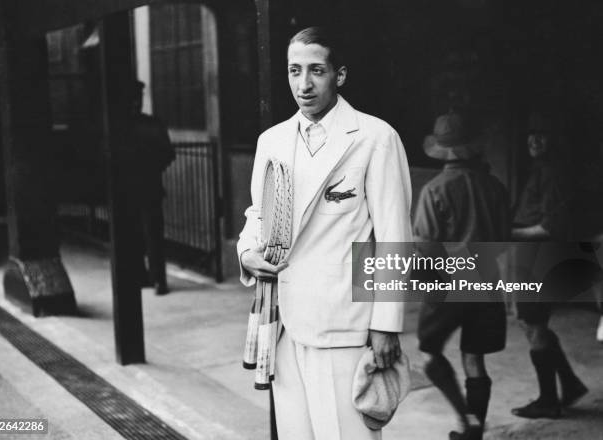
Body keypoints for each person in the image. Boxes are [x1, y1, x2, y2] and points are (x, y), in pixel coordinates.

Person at [237, 26, 412, 440]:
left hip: (344, 322)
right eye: (294, 70)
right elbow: (257, 214)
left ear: (340, 75)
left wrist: (386, 324)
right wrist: (246, 253)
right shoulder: (272, 140)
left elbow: (395, 237)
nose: (304, 83)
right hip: (283, 321)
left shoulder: (374, 137)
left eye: (316, 70)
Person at [413, 111, 509, 440]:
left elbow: (426, 248)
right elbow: (503, 240)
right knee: (475, 359)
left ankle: (465, 417)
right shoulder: (496, 187)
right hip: (486, 279)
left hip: (449, 284)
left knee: (429, 352)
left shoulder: (434, 190)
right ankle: (475, 431)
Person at [510, 113, 588, 419]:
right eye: (531, 134)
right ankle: (569, 385)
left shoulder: (552, 173)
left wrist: (506, 232)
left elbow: (551, 227)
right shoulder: (540, 169)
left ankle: (548, 401)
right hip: (533, 255)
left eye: (542, 135)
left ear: (555, 140)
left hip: (540, 256)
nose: (534, 140)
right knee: (533, 325)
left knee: (535, 328)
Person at [125, 80, 175, 295]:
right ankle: (156, 279)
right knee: (152, 235)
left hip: (132, 188)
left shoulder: (123, 127)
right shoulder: (153, 124)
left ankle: (147, 277)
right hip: (150, 185)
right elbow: (168, 154)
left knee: (139, 234)